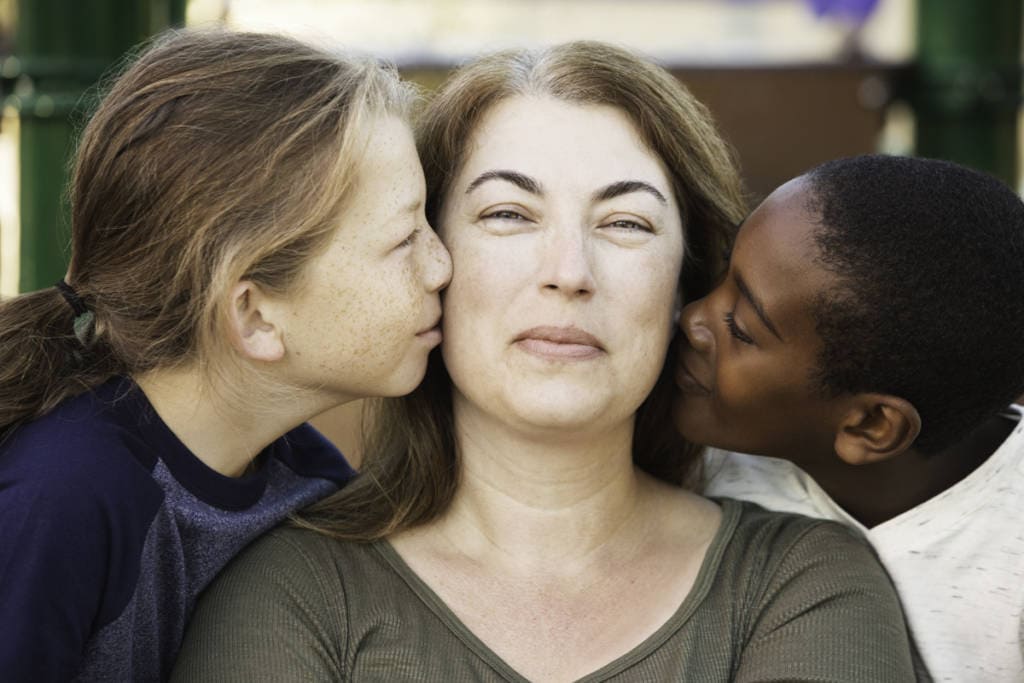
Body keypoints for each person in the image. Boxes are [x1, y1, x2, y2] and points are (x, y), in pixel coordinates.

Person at [172, 43, 923, 681]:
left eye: (625, 222)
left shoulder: (802, 580)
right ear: (426, 259)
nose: (569, 270)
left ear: (686, 288)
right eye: (508, 214)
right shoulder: (288, 590)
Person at [0, 28, 451, 683]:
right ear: (255, 314)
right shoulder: (62, 499)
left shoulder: (304, 478)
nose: (442, 265)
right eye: (405, 238)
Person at [673, 154, 1024, 681]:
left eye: (741, 328)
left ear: (870, 426)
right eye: (725, 270)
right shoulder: (691, 466)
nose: (692, 318)